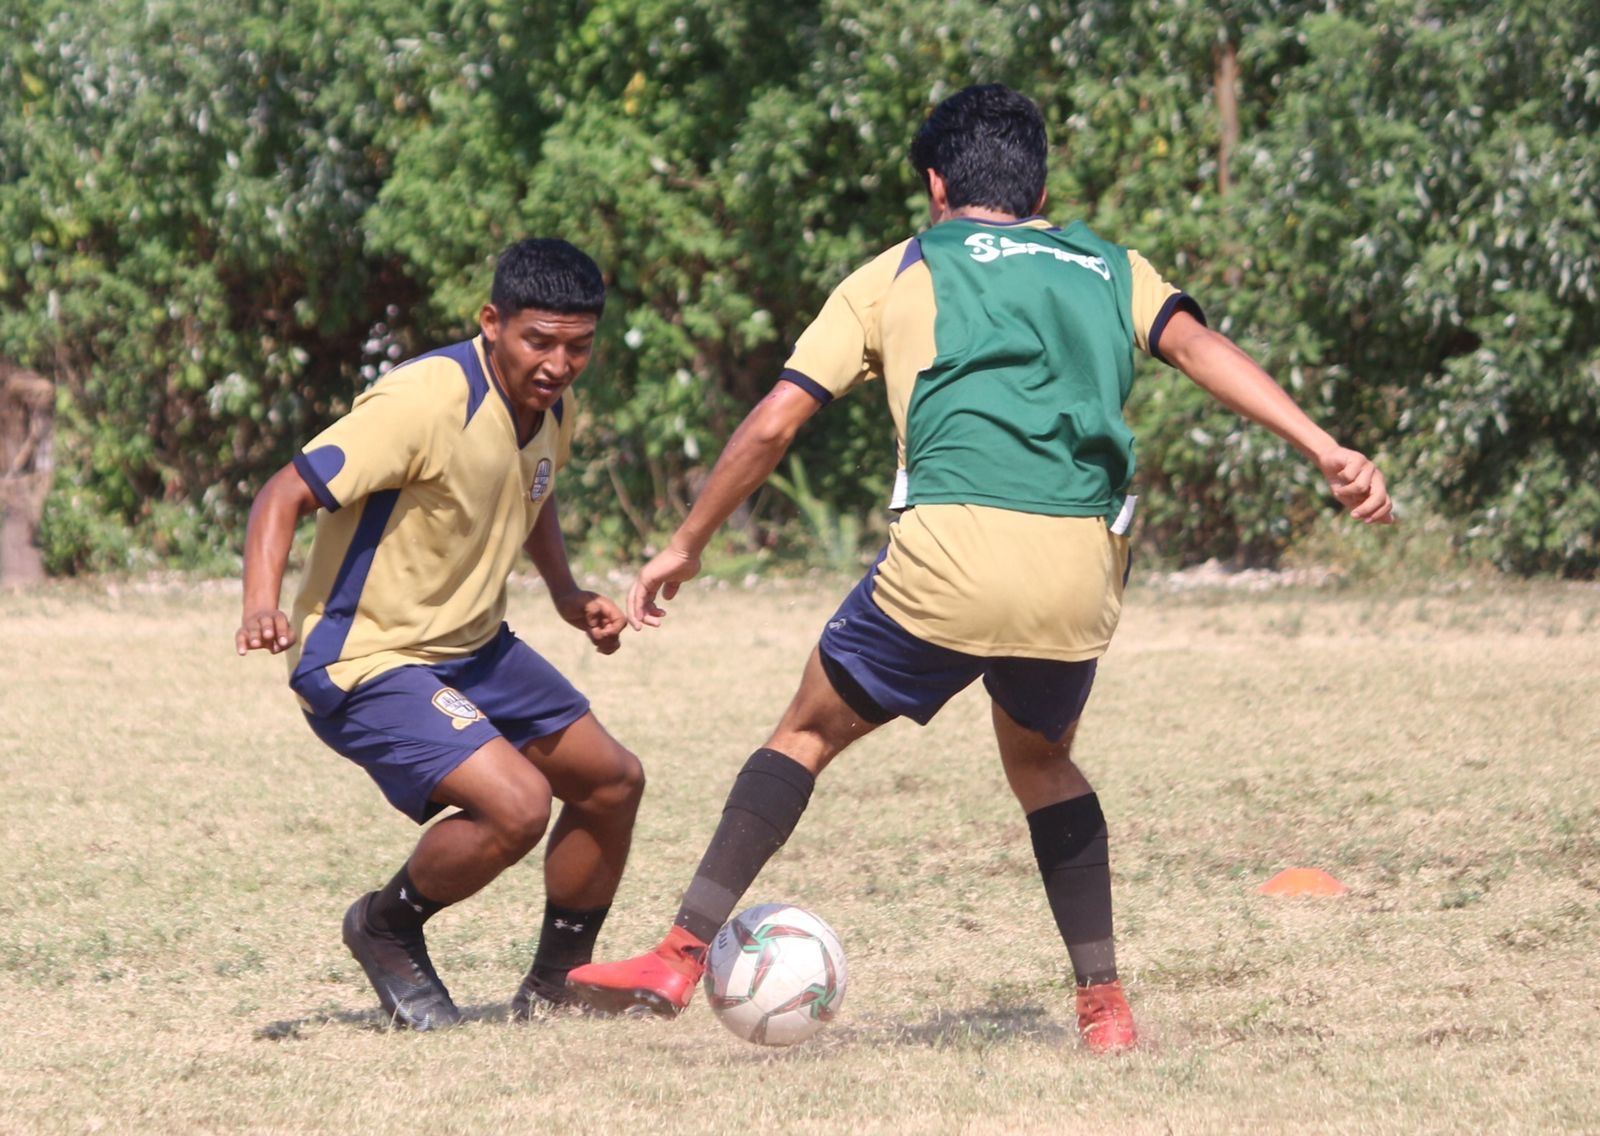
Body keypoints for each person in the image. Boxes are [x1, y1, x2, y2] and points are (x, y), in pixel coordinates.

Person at [564, 85, 1394, 1053]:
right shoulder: (1112, 265)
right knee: (1040, 759)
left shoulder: (896, 270)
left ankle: (677, 951)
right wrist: (1324, 446)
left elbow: (779, 416)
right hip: (1078, 573)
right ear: (1041, 185)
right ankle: (1104, 1006)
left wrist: (686, 542)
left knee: (801, 735)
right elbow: (1200, 346)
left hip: (944, 564)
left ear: (934, 183)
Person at [236, 238, 645, 1031]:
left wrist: (565, 592)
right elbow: (282, 493)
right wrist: (261, 603)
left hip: (474, 648)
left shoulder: (552, 404)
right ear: (491, 322)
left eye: (579, 347)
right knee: (518, 807)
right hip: (365, 657)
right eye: (540, 341)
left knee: (612, 782)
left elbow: (536, 486)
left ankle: (556, 987)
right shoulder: (425, 399)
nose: (560, 364)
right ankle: (385, 927)